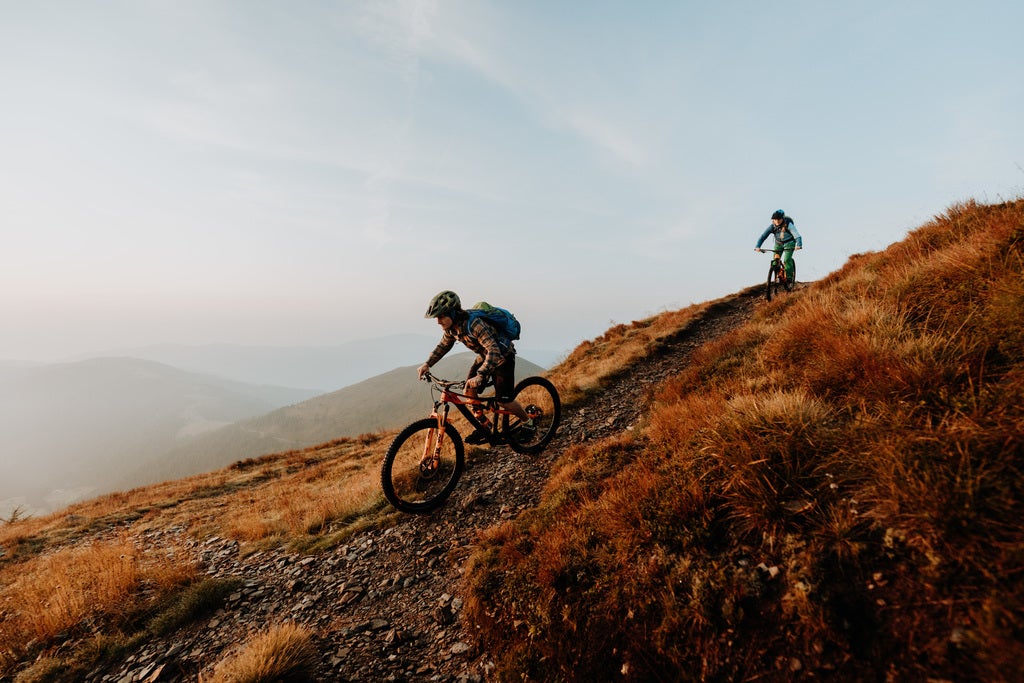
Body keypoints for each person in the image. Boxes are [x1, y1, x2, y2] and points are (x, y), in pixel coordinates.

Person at [417, 290, 534, 444]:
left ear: (453, 313)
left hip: (502, 357)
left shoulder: (474, 325)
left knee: (504, 401)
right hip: (485, 356)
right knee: (468, 391)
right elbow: (443, 346)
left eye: (441, 316)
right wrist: (427, 363)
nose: (438, 321)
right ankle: (486, 428)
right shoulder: (451, 328)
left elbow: (494, 350)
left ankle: (528, 423)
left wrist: (480, 375)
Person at [755, 209, 803, 283]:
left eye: (779, 219)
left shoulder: (788, 225)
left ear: (782, 219)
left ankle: (789, 278)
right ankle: (777, 276)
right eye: (775, 219)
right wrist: (758, 246)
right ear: (773, 220)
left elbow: (797, 235)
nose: (777, 221)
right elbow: (763, 236)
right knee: (775, 262)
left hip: (789, 243)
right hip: (778, 244)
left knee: (787, 260)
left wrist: (799, 245)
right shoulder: (772, 227)